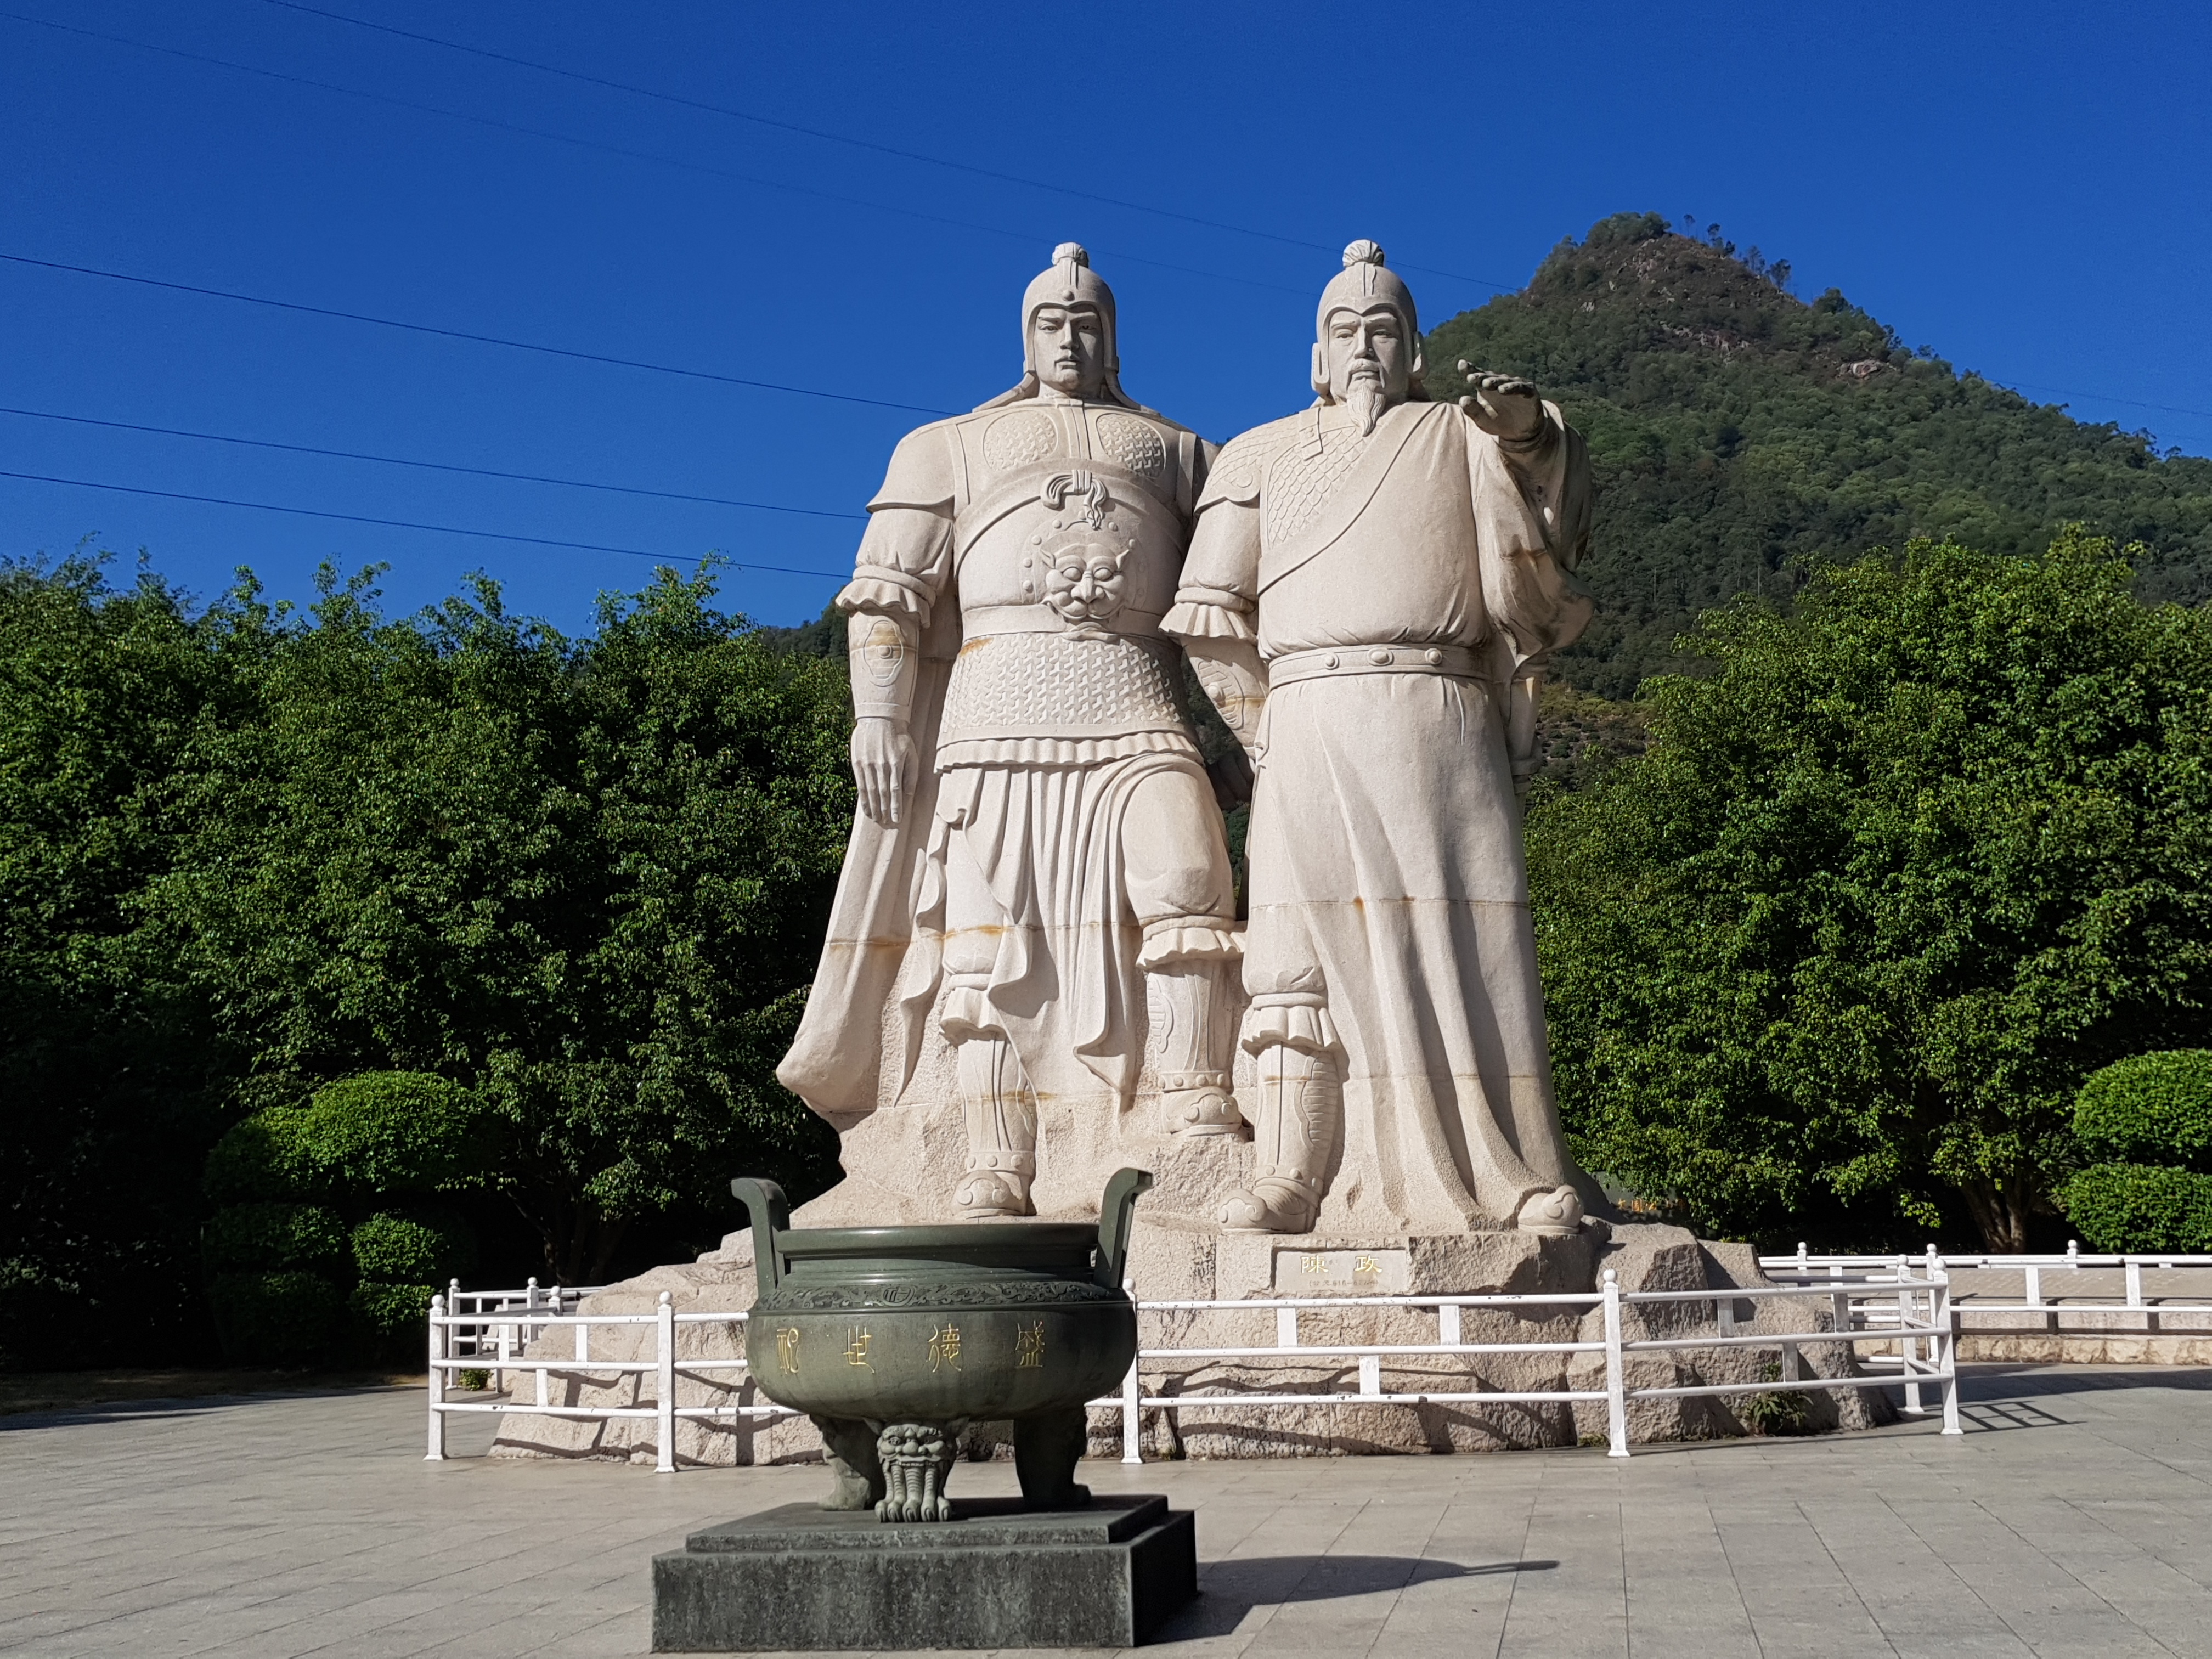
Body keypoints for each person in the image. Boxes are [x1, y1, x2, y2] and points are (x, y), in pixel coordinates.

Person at [777, 245, 1240, 1219]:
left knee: (1190, 880)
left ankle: (1194, 1100)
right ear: (1023, 335)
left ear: (1112, 336)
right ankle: (997, 1155)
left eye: (1086, 321)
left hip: (1137, 703)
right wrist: (878, 719)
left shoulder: (1183, 451)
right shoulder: (945, 446)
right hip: (993, 721)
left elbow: (1240, 597)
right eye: (1049, 321)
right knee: (981, 951)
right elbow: (888, 603)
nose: (1068, 337)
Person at [1165, 240, 1595, 1236]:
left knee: (1473, 944)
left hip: (1439, 712)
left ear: (1415, 350)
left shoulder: (1460, 434)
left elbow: (1550, 507)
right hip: (1307, 713)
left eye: (1384, 330)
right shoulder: (1257, 454)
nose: (1364, 347)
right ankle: (1292, 1172)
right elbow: (1205, 608)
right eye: (1344, 331)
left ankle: (1513, 1168)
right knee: (1289, 958)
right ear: (1316, 354)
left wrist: (1529, 431)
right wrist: (1262, 726)